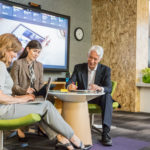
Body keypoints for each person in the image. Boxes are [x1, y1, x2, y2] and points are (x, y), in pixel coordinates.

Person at [0, 33, 89, 150]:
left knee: (43, 106)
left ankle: (63, 140)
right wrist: (22, 97)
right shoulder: (1, 65)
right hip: (4, 109)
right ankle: (74, 139)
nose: (16, 55)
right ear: (6, 49)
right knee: (46, 106)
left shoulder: (4, 66)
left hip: (8, 106)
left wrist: (29, 96)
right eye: (14, 52)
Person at [66, 45, 113, 146]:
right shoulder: (78, 67)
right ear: (87, 56)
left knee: (107, 96)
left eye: (95, 59)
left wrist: (100, 88)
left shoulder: (106, 70)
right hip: (83, 97)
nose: (92, 61)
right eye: (90, 57)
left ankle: (105, 133)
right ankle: (69, 132)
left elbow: (109, 88)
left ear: (100, 59)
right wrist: (70, 86)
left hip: (97, 98)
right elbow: (70, 82)